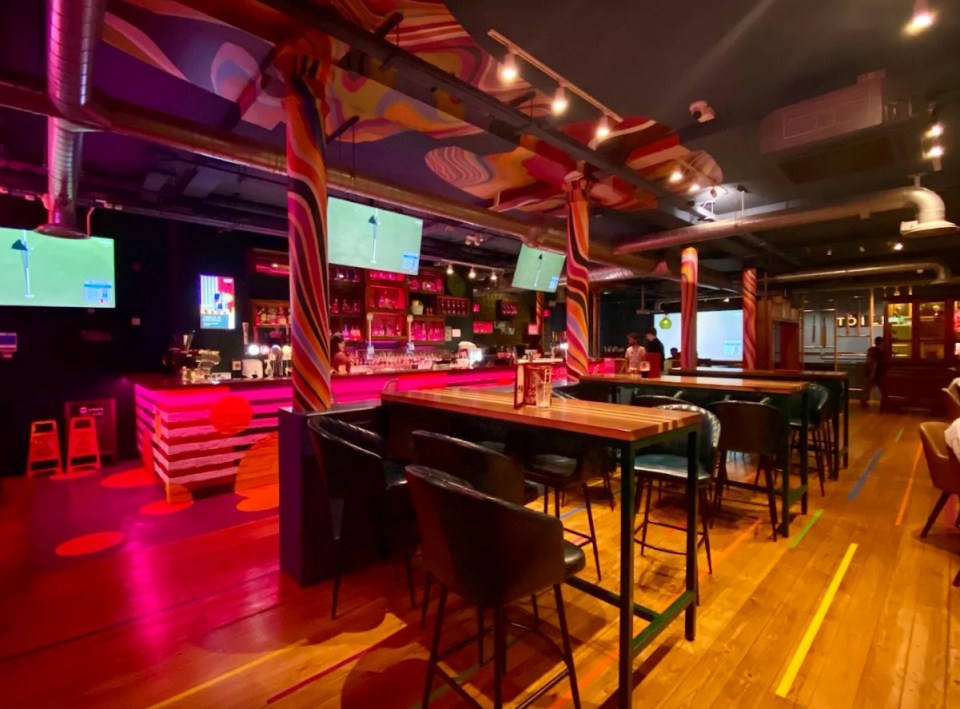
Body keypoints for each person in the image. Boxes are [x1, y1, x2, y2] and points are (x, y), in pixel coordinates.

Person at [862, 335, 884, 406]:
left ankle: (864, 400)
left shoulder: (871, 349)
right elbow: (875, 363)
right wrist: (873, 373)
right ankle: (884, 401)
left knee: (869, 387)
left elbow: (869, 361)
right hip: (876, 372)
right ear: (881, 343)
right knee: (882, 388)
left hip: (870, 371)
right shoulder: (880, 351)